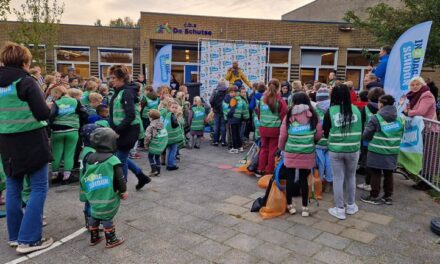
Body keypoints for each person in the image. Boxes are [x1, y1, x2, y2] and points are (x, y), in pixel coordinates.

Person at [0, 42, 53, 253]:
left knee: (13, 186)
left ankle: (14, 236)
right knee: (38, 187)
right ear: (24, 61)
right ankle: (29, 239)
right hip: (31, 140)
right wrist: (50, 106)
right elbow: (42, 114)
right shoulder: (26, 81)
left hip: (6, 142)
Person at [278, 92, 323, 217]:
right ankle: (305, 208)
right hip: (307, 150)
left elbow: (283, 135)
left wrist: (282, 148)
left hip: (291, 150)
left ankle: (290, 205)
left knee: (290, 178)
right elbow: (319, 133)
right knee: (304, 179)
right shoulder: (313, 114)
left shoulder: (289, 115)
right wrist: (312, 141)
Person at [82, 127, 127, 248]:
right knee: (107, 216)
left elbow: (85, 175)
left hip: (93, 193)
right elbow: (120, 179)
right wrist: (123, 191)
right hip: (108, 195)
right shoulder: (113, 160)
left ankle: (94, 237)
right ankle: (111, 240)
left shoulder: (89, 158)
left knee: (94, 214)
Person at [323, 84, 362, 220]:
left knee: (338, 178)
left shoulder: (331, 111)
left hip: (336, 149)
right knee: (351, 177)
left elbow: (325, 130)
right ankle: (351, 206)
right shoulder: (357, 110)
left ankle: (339, 209)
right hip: (353, 149)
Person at [108, 65, 150, 189]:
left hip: (129, 130)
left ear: (121, 78)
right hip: (122, 130)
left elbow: (130, 115)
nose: (111, 80)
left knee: (120, 160)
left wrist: (117, 130)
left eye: (114, 78)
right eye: (110, 77)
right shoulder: (118, 91)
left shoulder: (126, 92)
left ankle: (122, 187)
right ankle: (141, 176)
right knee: (121, 157)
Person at [361, 95, 404, 205]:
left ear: (381, 104)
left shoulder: (376, 118)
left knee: (375, 173)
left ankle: (374, 196)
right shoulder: (399, 119)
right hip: (392, 151)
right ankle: (387, 197)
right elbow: (401, 134)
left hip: (377, 150)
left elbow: (366, 135)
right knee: (389, 173)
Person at [49, 85, 88, 184]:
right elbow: (84, 114)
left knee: (56, 153)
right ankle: (67, 176)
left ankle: (55, 176)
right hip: (72, 130)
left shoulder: (56, 103)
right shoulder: (75, 102)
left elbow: (51, 115)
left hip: (57, 130)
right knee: (69, 153)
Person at [256, 79, 288, 175]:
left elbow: (258, 113)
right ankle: (269, 171)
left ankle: (260, 169)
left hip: (263, 127)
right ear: (278, 88)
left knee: (263, 148)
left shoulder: (262, 99)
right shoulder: (280, 100)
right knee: (272, 150)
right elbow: (284, 116)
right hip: (274, 129)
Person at [357, 87, 385, 190]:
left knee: (367, 159)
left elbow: (360, 122)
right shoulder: (385, 109)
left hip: (367, 139)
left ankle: (368, 182)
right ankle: (376, 180)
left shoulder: (365, 108)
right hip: (381, 138)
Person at [78, 123, 99, 229]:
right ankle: (92, 225)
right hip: (91, 182)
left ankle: (88, 222)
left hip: (84, 182)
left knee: (88, 202)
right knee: (92, 203)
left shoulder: (84, 150)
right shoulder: (92, 153)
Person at [314, 86, 333, 192]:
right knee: (329, 161)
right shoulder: (333, 109)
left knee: (320, 161)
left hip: (319, 140)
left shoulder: (315, 109)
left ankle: (320, 181)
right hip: (331, 140)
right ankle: (329, 182)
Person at [144, 109, 168, 176]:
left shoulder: (150, 127)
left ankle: (153, 170)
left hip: (154, 145)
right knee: (157, 157)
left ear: (151, 118)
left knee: (150, 157)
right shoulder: (162, 124)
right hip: (160, 145)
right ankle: (158, 171)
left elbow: (147, 138)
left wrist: (146, 145)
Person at [164, 101, 184, 170]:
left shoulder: (167, 115)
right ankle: (171, 165)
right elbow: (176, 127)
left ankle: (169, 163)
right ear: (169, 107)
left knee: (170, 150)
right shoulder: (173, 116)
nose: (174, 109)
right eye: (173, 107)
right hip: (173, 138)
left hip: (167, 137)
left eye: (176, 108)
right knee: (173, 150)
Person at [209, 79, 228, 146]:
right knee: (223, 126)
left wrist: (213, 106)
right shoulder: (227, 91)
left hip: (216, 111)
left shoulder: (215, 91)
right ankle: (223, 141)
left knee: (216, 126)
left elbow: (211, 100)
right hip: (224, 111)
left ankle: (215, 141)